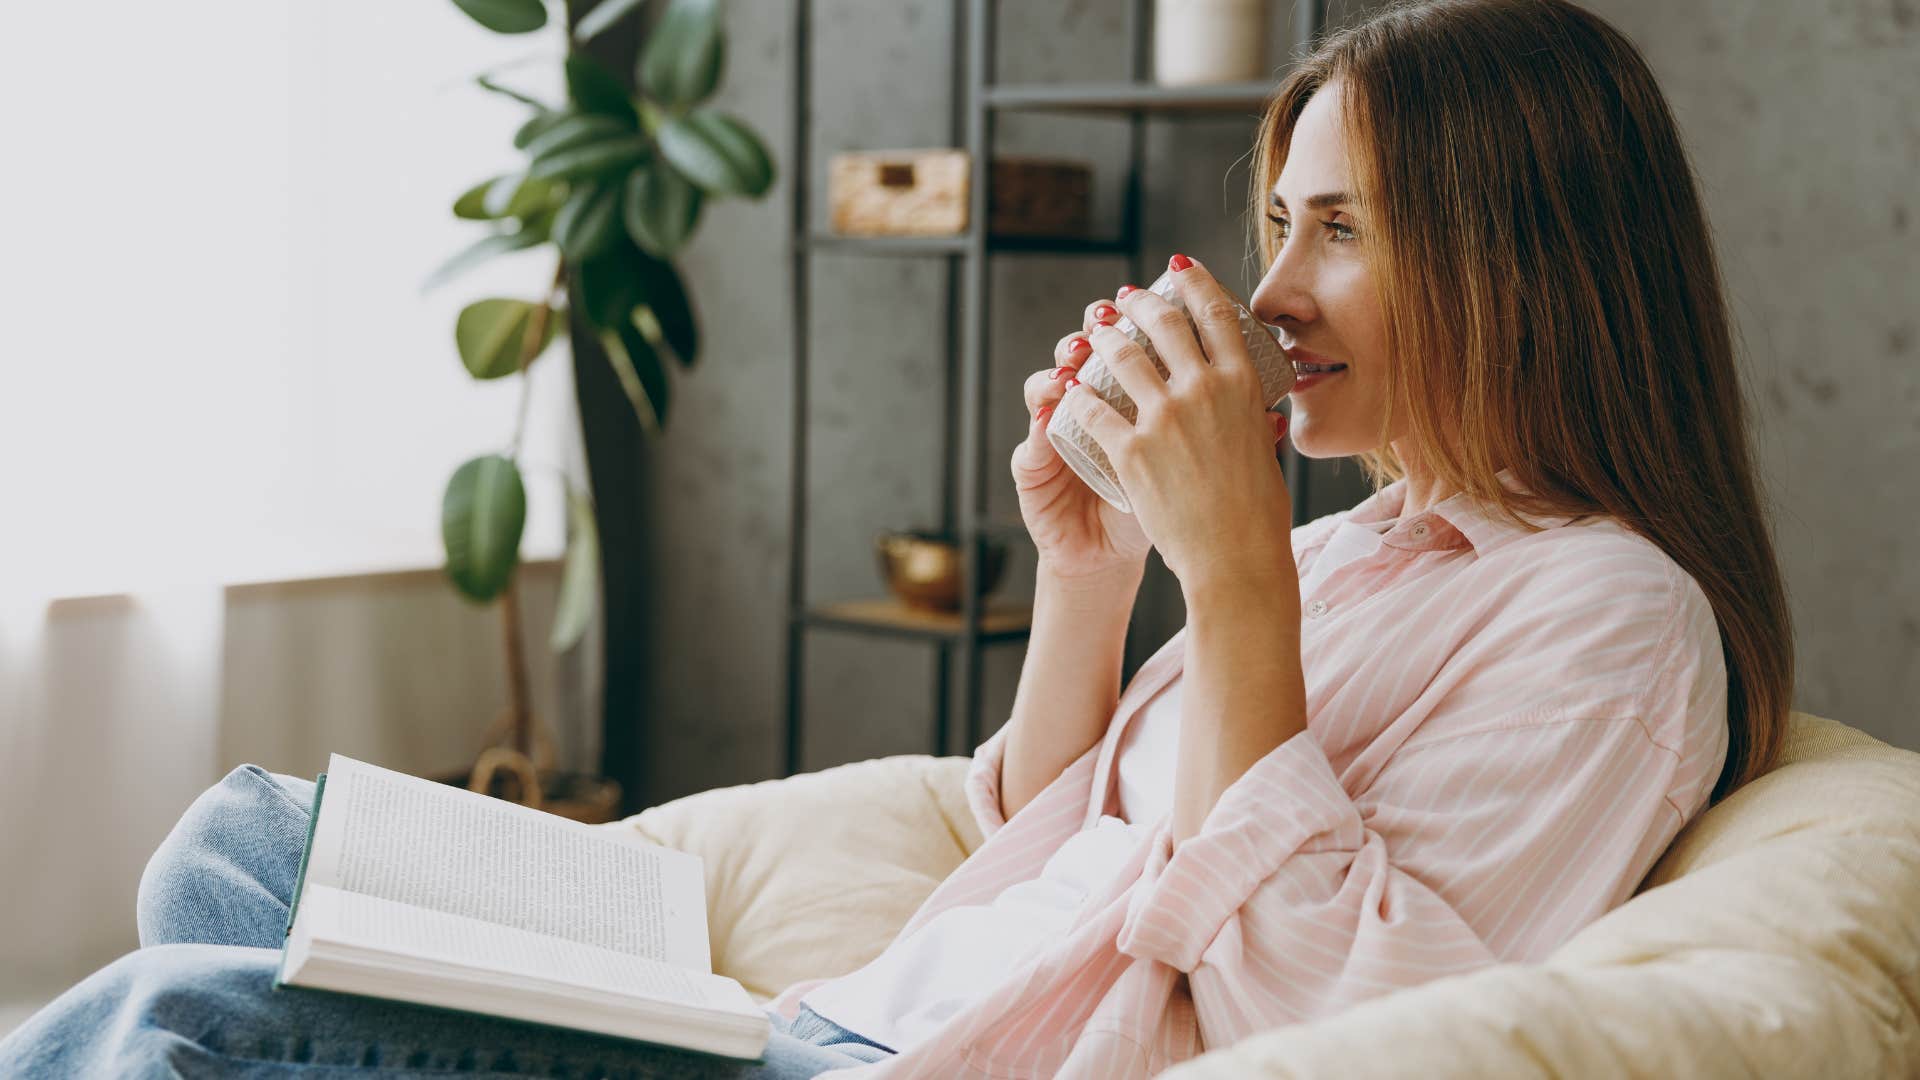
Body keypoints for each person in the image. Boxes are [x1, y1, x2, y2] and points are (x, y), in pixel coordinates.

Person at [0, 0, 1793, 1076]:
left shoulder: (1617, 622)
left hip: (892, 1064)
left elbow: (1338, 1015)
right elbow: (1046, 836)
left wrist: (1232, 575)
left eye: (1339, 229)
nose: (1269, 288)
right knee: (237, 847)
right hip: (840, 1001)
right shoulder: (1370, 549)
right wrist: (1089, 576)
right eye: (1275, 222)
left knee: (173, 1021)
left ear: (1516, 255)